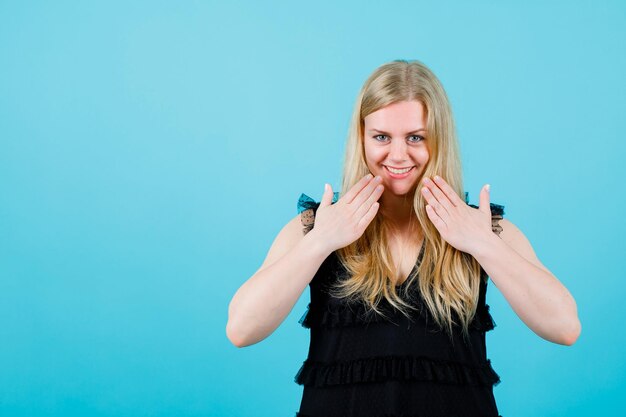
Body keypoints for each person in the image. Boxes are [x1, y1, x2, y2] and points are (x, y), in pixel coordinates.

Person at [226, 59, 581, 416]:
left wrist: (483, 244)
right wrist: (321, 241)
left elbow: (565, 327)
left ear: (438, 140)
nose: (398, 155)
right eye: (382, 137)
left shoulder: (480, 227)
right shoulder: (317, 225)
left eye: (416, 137)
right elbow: (241, 329)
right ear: (361, 137)